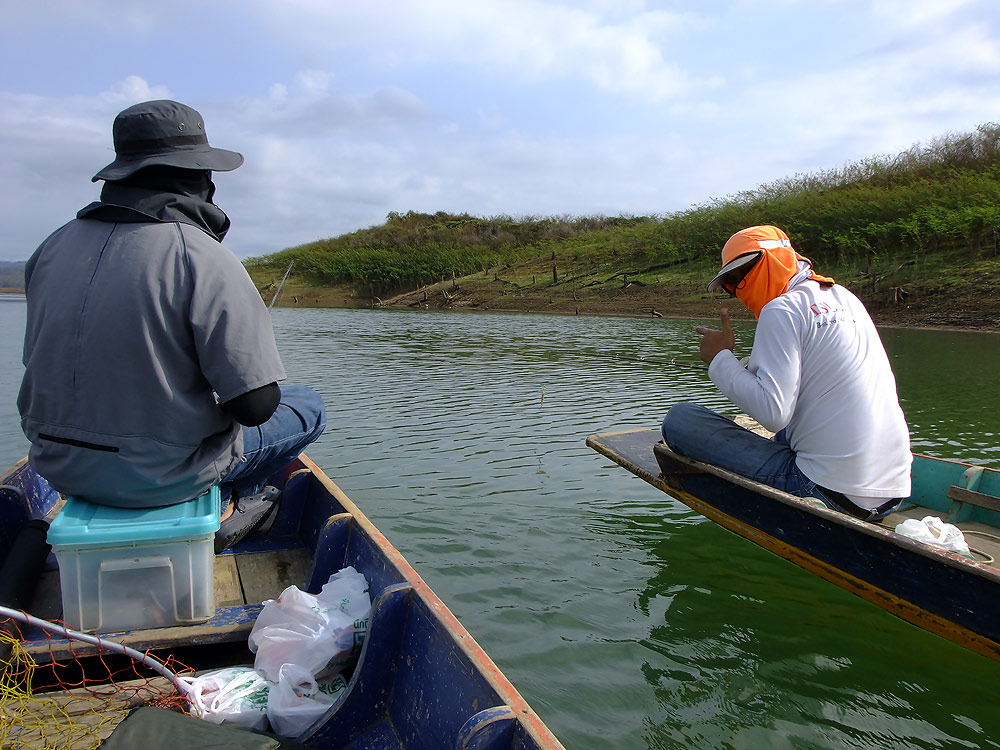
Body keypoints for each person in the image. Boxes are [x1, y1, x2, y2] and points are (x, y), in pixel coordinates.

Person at [18, 99, 326, 550]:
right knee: (307, 405)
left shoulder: (50, 248)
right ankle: (236, 501)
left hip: (56, 465)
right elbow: (256, 407)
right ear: (200, 179)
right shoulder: (203, 256)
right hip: (162, 477)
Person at [661, 225, 911, 521]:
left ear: (773, 259)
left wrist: (720, 358)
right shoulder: (845, 298)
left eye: (741, 276)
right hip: (894, 493)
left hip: (828, 491)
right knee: (787, 431)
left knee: (681, 419)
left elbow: (773, 412)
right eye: (730, 285)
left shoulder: (781, 309)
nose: (738, 290)